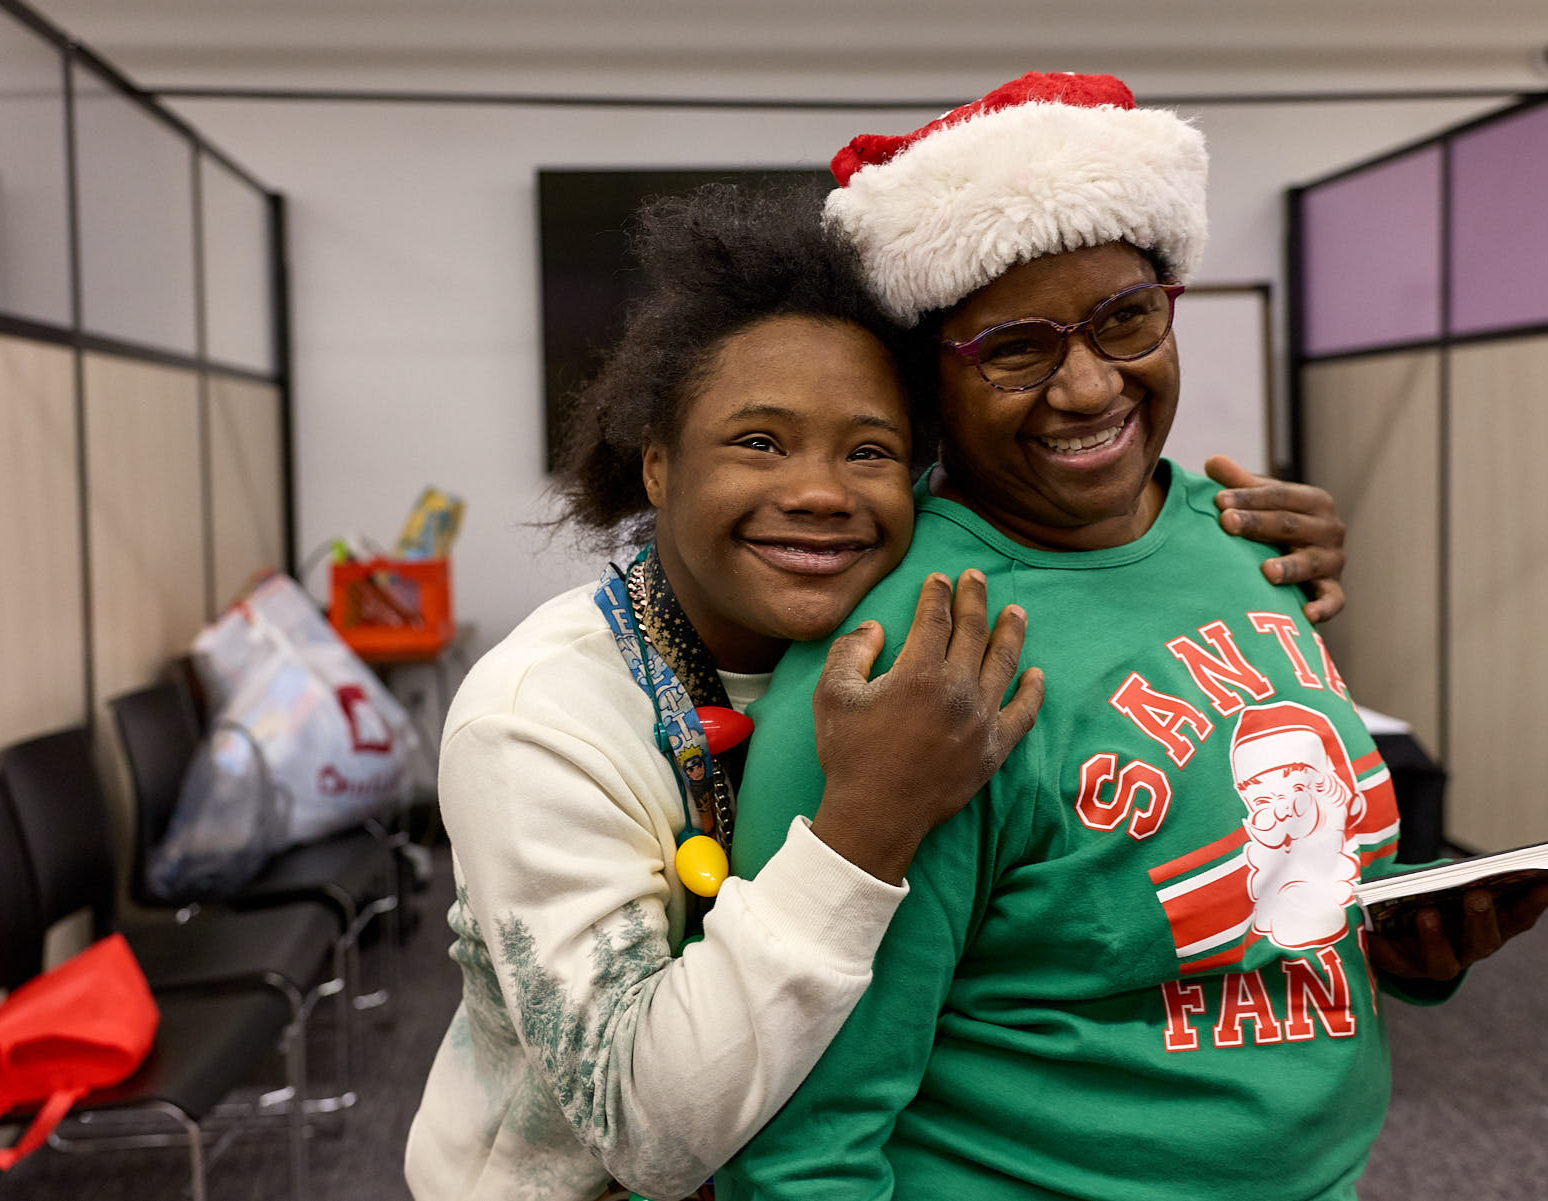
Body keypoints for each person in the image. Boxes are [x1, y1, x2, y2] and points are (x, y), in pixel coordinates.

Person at [405, 182, 1355, 1201]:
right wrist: (866, 820)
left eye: (871, 451)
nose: (821, 491)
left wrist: (1209, 549)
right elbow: (642, 1131)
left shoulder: (901, 618)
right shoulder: (539, 718)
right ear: (654, 464)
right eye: (759, 442)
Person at [715, 74, 1548, 1201]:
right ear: (928, 381)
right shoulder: (909, 665)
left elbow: (1271, 883)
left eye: (1125, 318)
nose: (1088, 384)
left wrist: (1406, 936)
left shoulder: (1244, 543)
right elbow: (805, 1137)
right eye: (1016, 348)